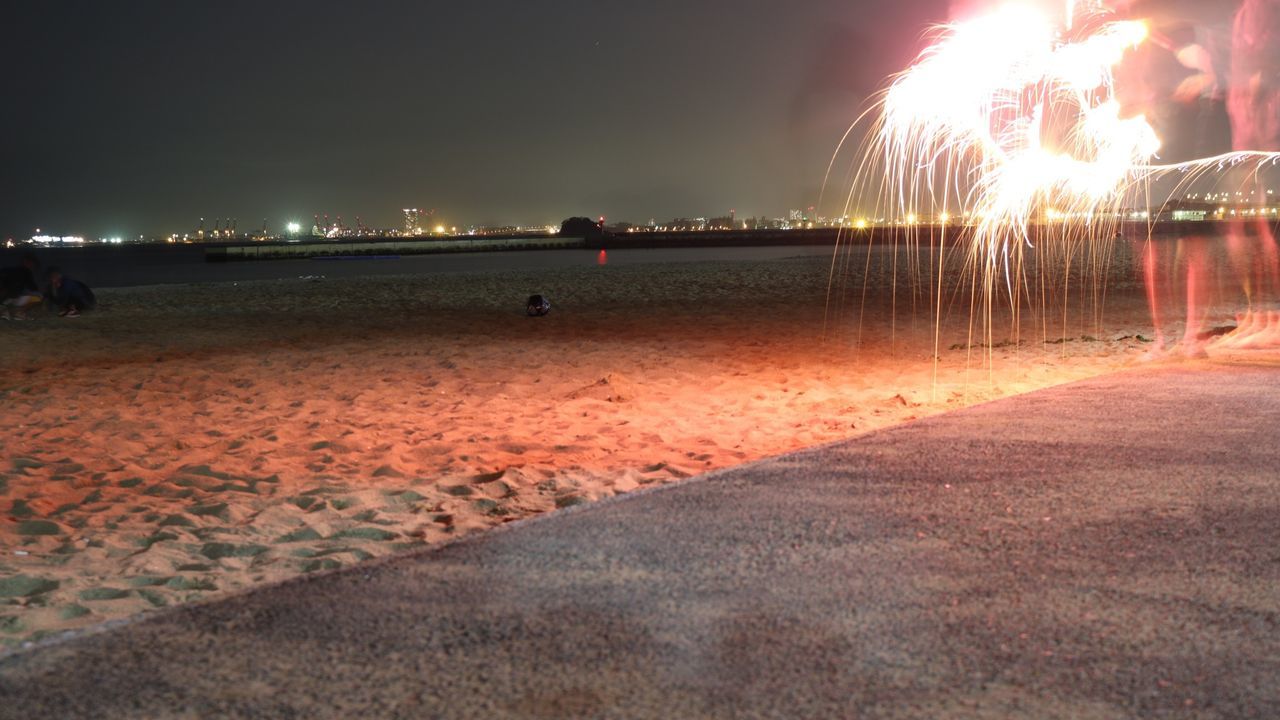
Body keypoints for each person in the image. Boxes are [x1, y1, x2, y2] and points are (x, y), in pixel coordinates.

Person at [1, 253, 42, 320]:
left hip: (5, 299)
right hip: (14, 297)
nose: (32, 266)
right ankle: (19, 313)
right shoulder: (26, 271)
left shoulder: (7, 269)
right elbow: (33, 287)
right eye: (32, 264)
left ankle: (5, 313)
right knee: (39, 296)